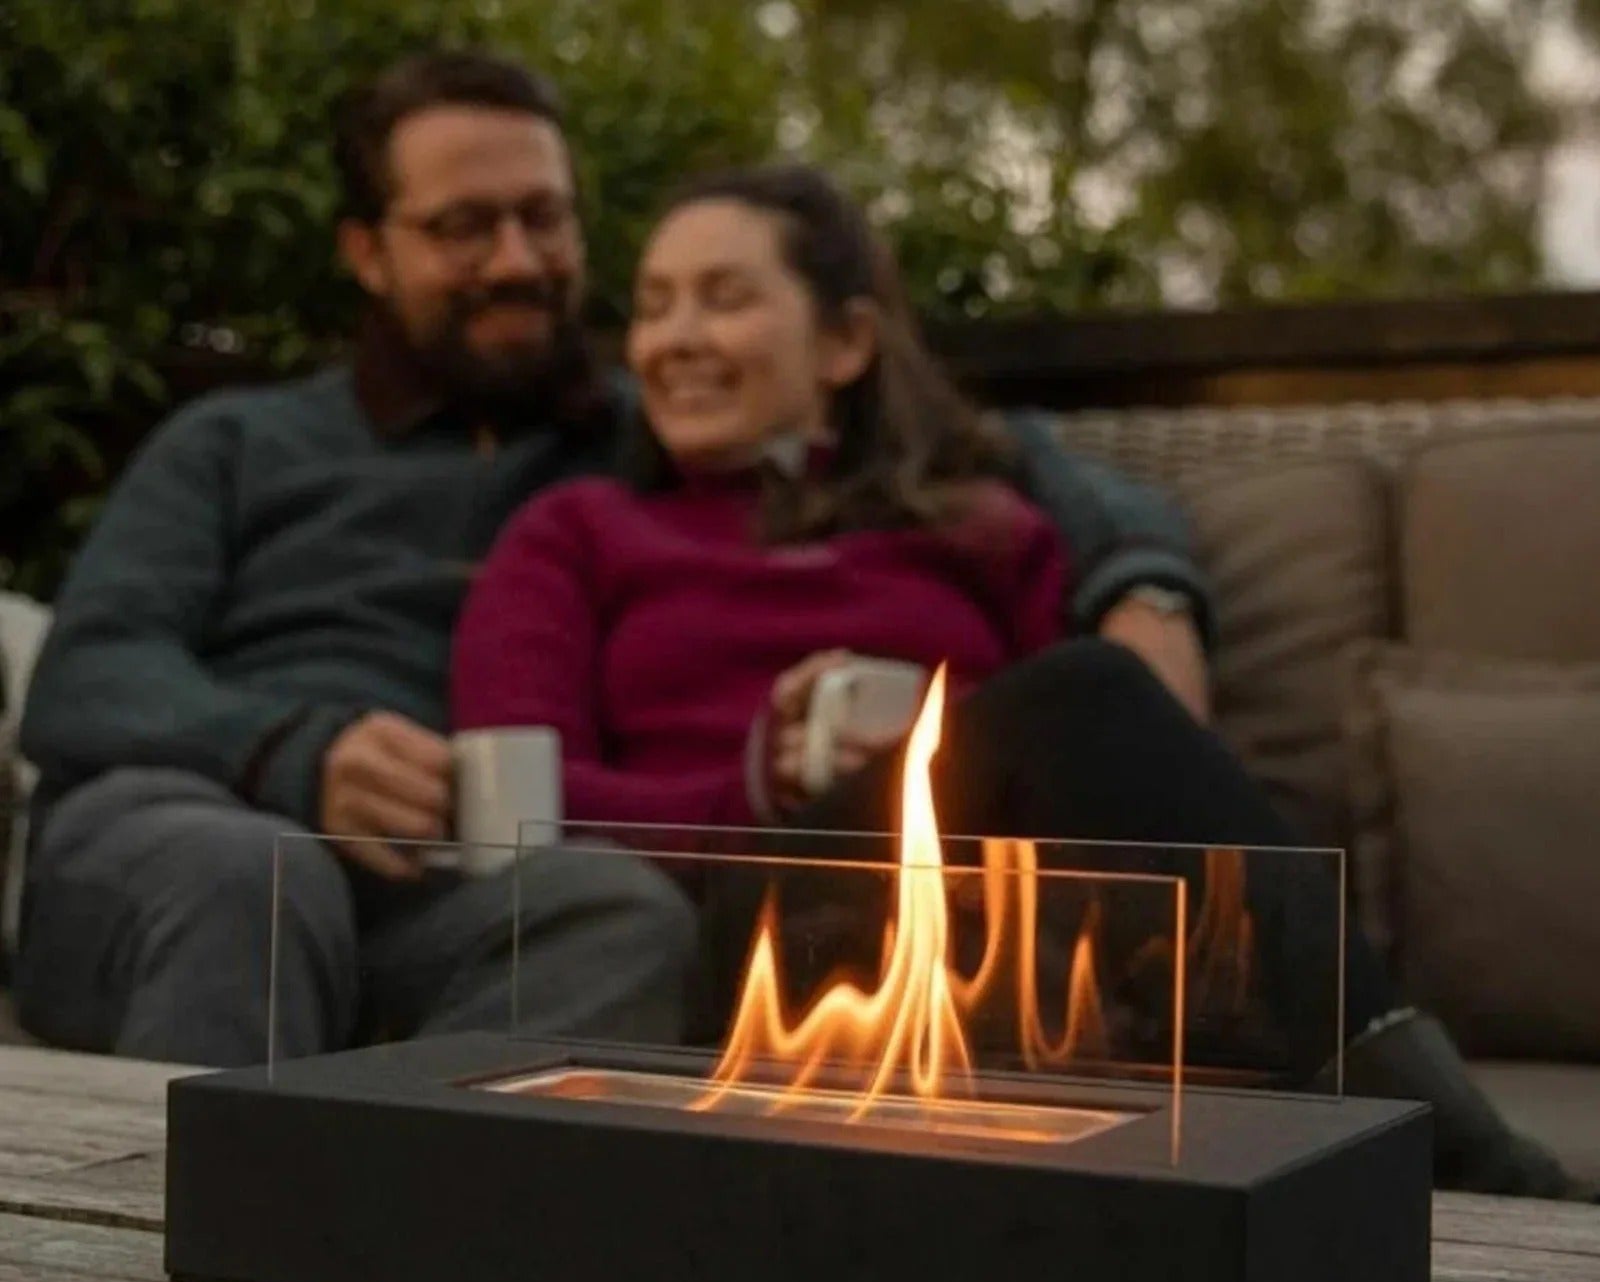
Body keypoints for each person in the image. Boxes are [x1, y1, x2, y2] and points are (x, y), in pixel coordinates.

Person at [15, 51, 1215, 1069]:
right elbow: (92, 674)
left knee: (621, 914)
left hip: (451, 879)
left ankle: (413, 1264)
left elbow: (975, 456)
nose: (517, 259)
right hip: (192, 825)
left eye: (546, 217)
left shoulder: (646, 430)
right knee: (254, 880)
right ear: (367, 253)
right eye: (461, 227)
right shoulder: (238, 443)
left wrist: (1146, 582)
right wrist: (290, 753)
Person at [452, 163, 1587, 1200]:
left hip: (988, 936)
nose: (672, 339)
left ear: (846, 344)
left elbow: (1108, 776)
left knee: (1083, 722)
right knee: (1082, 696)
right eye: (651, 305)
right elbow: (514, 806)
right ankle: (1473, 1166)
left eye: (723, 298)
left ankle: (1313, 1160)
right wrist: (746, 783)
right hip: (745, 923)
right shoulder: (576, 532)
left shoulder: (979, 527)